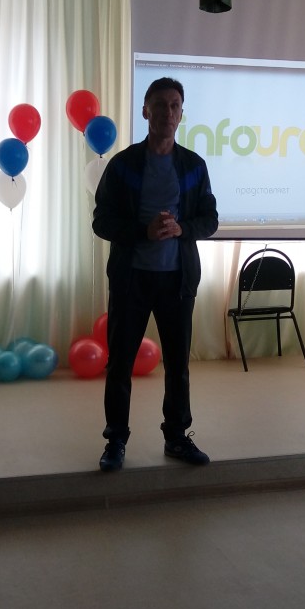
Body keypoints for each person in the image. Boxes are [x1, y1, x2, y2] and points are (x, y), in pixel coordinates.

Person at [92, 77, 218, 471]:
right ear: (145, 111)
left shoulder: (194, 166)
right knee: (120, 364)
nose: (168, 112)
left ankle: (177, 437)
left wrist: (183, 228)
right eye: (160, 104)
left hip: (177, 281)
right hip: (131, 279)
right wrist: (141, 232)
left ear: (182, 113)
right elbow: (101, 221)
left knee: (178, 365)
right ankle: (115, 440)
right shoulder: (123, 165)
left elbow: (210, 219)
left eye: (175, 105)